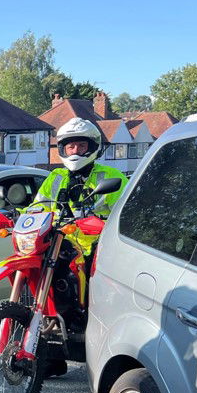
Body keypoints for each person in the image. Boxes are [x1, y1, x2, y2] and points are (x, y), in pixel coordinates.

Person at [27, 117, 127, 376]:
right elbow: (38, 206)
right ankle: (50, 357)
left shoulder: (111, 177)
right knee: (47, 290)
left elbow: (122, 213)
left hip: (97, 245)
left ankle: (106, 354)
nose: (74, 151)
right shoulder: (56, 177)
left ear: (92, 147)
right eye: (70, 147)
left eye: (80, 146)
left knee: (99, 300)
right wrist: (22, 217)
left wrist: (102, 223)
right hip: (61, 243)